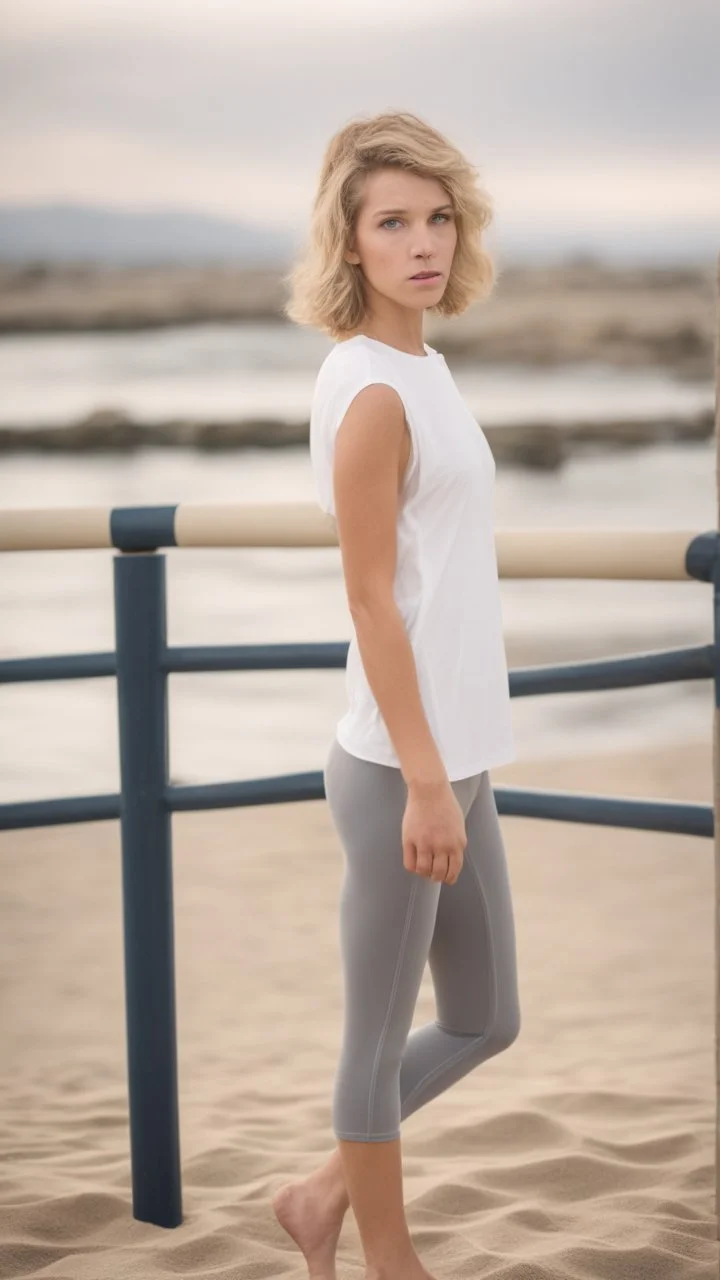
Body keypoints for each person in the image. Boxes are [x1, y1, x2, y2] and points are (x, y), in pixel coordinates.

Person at [272, 109, 521, 1280]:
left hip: (457, 752)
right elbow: (371, 600)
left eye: (437, 216)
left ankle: (321, 1191)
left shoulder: (426, 364)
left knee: (486, 1018)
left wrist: (453, 768)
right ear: (351, 241)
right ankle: (391, 1261)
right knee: (371, 1040)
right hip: (398, 768)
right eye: (392, 221)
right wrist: (424, 779)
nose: (422, 241)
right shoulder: (368, 387)